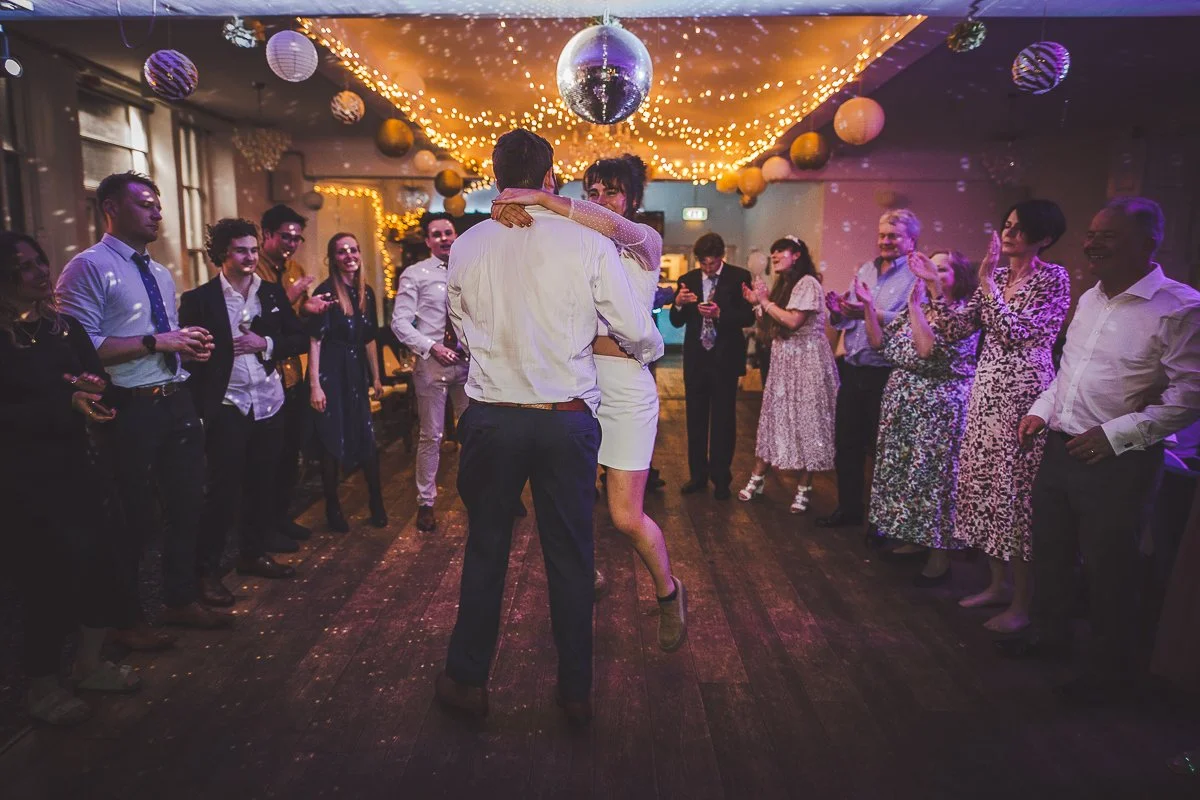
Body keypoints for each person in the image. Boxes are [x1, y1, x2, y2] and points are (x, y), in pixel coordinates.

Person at [436, 129, 663, 726]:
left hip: (491, 418)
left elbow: (459, 323)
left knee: (486, 549)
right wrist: (648, 350)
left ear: (496, 177)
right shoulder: (586, 242)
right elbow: (633, 326)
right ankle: (575, 693)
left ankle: (466, 682)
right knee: (570, 556)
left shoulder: (467, 244)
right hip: (565, 420)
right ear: (549, 178)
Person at [999, 197, 1200, 705]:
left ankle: (1110, 673)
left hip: (1120, 460)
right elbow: (1068, 374)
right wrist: (1042, 410)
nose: (1091, 244)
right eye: (1091, 234)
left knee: (1111, 570)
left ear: (1148, 243)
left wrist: (1116, 436)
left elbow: (1189, 397)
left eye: (1107, 236)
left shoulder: (1179, 306)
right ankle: (1051, 637)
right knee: (1052, 553)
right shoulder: (1090, 298)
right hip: (1059, 447)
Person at [490, 153, 687, 651]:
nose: (601, 200)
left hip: (626, 389)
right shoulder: (573, 242)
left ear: (633, 198)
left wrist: (540, 196)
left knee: (625, 516)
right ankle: (586, 574)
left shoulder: (644, 241)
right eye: (593, 192)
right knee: (567, 501)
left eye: (612, 191)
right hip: (576, 383)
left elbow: (610, 226)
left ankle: (668, 591)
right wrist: (510, 209)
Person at [57, 171, 230, 638]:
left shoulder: (158, 272)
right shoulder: (87, 267)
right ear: (111, 208)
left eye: (158, 205)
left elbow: (158, 339)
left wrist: (185, 347)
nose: (157, 212)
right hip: (127, 407)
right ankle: (126, 620)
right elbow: (80, 350)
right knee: (134, 518)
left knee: (188, 504)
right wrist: (158, 341)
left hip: (174, 398)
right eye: (145, 204)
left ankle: (179, 600)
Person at [0, 231, 142, 725]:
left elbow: (96, 381)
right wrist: (64, 402)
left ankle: (89, 664)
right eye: (24, 266)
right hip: (27, 478)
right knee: (47, 580)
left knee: (101, 566)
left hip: (81, 465)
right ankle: (42, 686)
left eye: (40, 261)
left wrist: (95, 390)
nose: (40, 271)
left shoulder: (64, 327)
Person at [917, 201, 1070, 633]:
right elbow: (954, 329)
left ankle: (1023, 603)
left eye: (1020, 228)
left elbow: (1017, 333)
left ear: (1044, 237)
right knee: (984, 488)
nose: (1009, 233)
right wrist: (935, 289)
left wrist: (985, 283)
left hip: (1024, 393)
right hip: (985, 392)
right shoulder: (998, 277)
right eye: (1007, 225)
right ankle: (997, 585)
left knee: (1014, 496)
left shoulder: (1053, 278)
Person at [179, 219, 309, 606]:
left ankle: (252, 554)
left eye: (253, 249)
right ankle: (206, 572)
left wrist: (264, 342)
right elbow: (190, 358)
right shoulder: (200, 300)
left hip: (269, 401)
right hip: (228, 404)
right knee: (222, 491)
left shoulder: (271, 293)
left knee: (261, 483)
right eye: (241, 250)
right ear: (222, 254)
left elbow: (298, 337)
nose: (250, 256)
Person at [860, 250, 979, 585]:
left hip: (938, 408)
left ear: (959, 276)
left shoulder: (962, 313)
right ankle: (914, 539)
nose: (931, 274)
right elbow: (878, 343)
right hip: (904, 405)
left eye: (940, 269)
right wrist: (868, 305)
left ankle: (939, 555)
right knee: (907, 476)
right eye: (928, 268)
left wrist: (915, 307)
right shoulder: (921, 305)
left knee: (933, 479)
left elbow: (927, 350)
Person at [818, 209, 919, 529]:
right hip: (853, 368)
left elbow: (910, 320)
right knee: (846, 444)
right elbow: (848, 318)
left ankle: (881, 520)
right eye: (882, 235)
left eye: (894, 236)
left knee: (882, 449)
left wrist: (868, 311)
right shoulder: (865, 269)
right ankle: (848, 509)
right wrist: (839, 311)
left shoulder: (916, 276)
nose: (885, 241)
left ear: (911, 240)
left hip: (886, 372)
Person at [737, 237, 838, 513]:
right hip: (784, 361)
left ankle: (804, 488)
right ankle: (757, 478)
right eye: (773, 252)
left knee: (808, 422)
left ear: (797, 255)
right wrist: (756, 304)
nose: (774, 256)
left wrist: (764, 300)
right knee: (773, 418)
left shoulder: (809, 283)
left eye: (780, 251)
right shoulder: (783, 285)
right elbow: (770, 324)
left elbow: (794, 321)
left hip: (807, 361)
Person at [390, 213, 469, 533]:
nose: (443, 238)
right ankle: (426, 502)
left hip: (467, 362)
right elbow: (399, 322)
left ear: (456, 235)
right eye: (436, 234)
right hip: (432, 362)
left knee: (473, 432)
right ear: (427, 241)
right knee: (431, 435)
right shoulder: (415, 273)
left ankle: (478, 495)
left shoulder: (470, 268)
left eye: (448, 232)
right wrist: (431, 346)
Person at [257, 204, 331, 544]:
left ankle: (281, 518)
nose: (291, 244)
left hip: (292, 374)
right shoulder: (253, 269)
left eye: (296, 238)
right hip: (262, 376)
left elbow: (293, 321)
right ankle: (263, 529)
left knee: (290, 453)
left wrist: (309, 308)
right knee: (266, 458)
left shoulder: (295, 269)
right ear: (266, 235)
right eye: (285, 237)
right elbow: (259, 322)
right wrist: (290, 297)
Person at [309, 233, 387, 532]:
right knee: (332, 440)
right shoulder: (326, 293)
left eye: (353, 250)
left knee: (366, 437)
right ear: (333, 258)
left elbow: (369, 339)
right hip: (330, 371)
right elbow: (315, 341)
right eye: (342, 251)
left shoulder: (366, 291)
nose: (349, 255)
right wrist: (315, 385)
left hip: (355, 372)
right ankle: (333, 508)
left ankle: (377, 503)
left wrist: (376, 376)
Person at [669, 233, 755, 500]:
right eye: (703, 263)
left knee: (723, 421)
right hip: (696, 359)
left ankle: (721, 478)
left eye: (712, 263)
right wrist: (678, 304)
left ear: (721, 257)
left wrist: (720, 314)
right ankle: (697, 476)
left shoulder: (739, 277)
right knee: (694, 419)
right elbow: (676, 321)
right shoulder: (689, 279)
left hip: (725, 359)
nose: (707, 268)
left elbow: (748, 317)